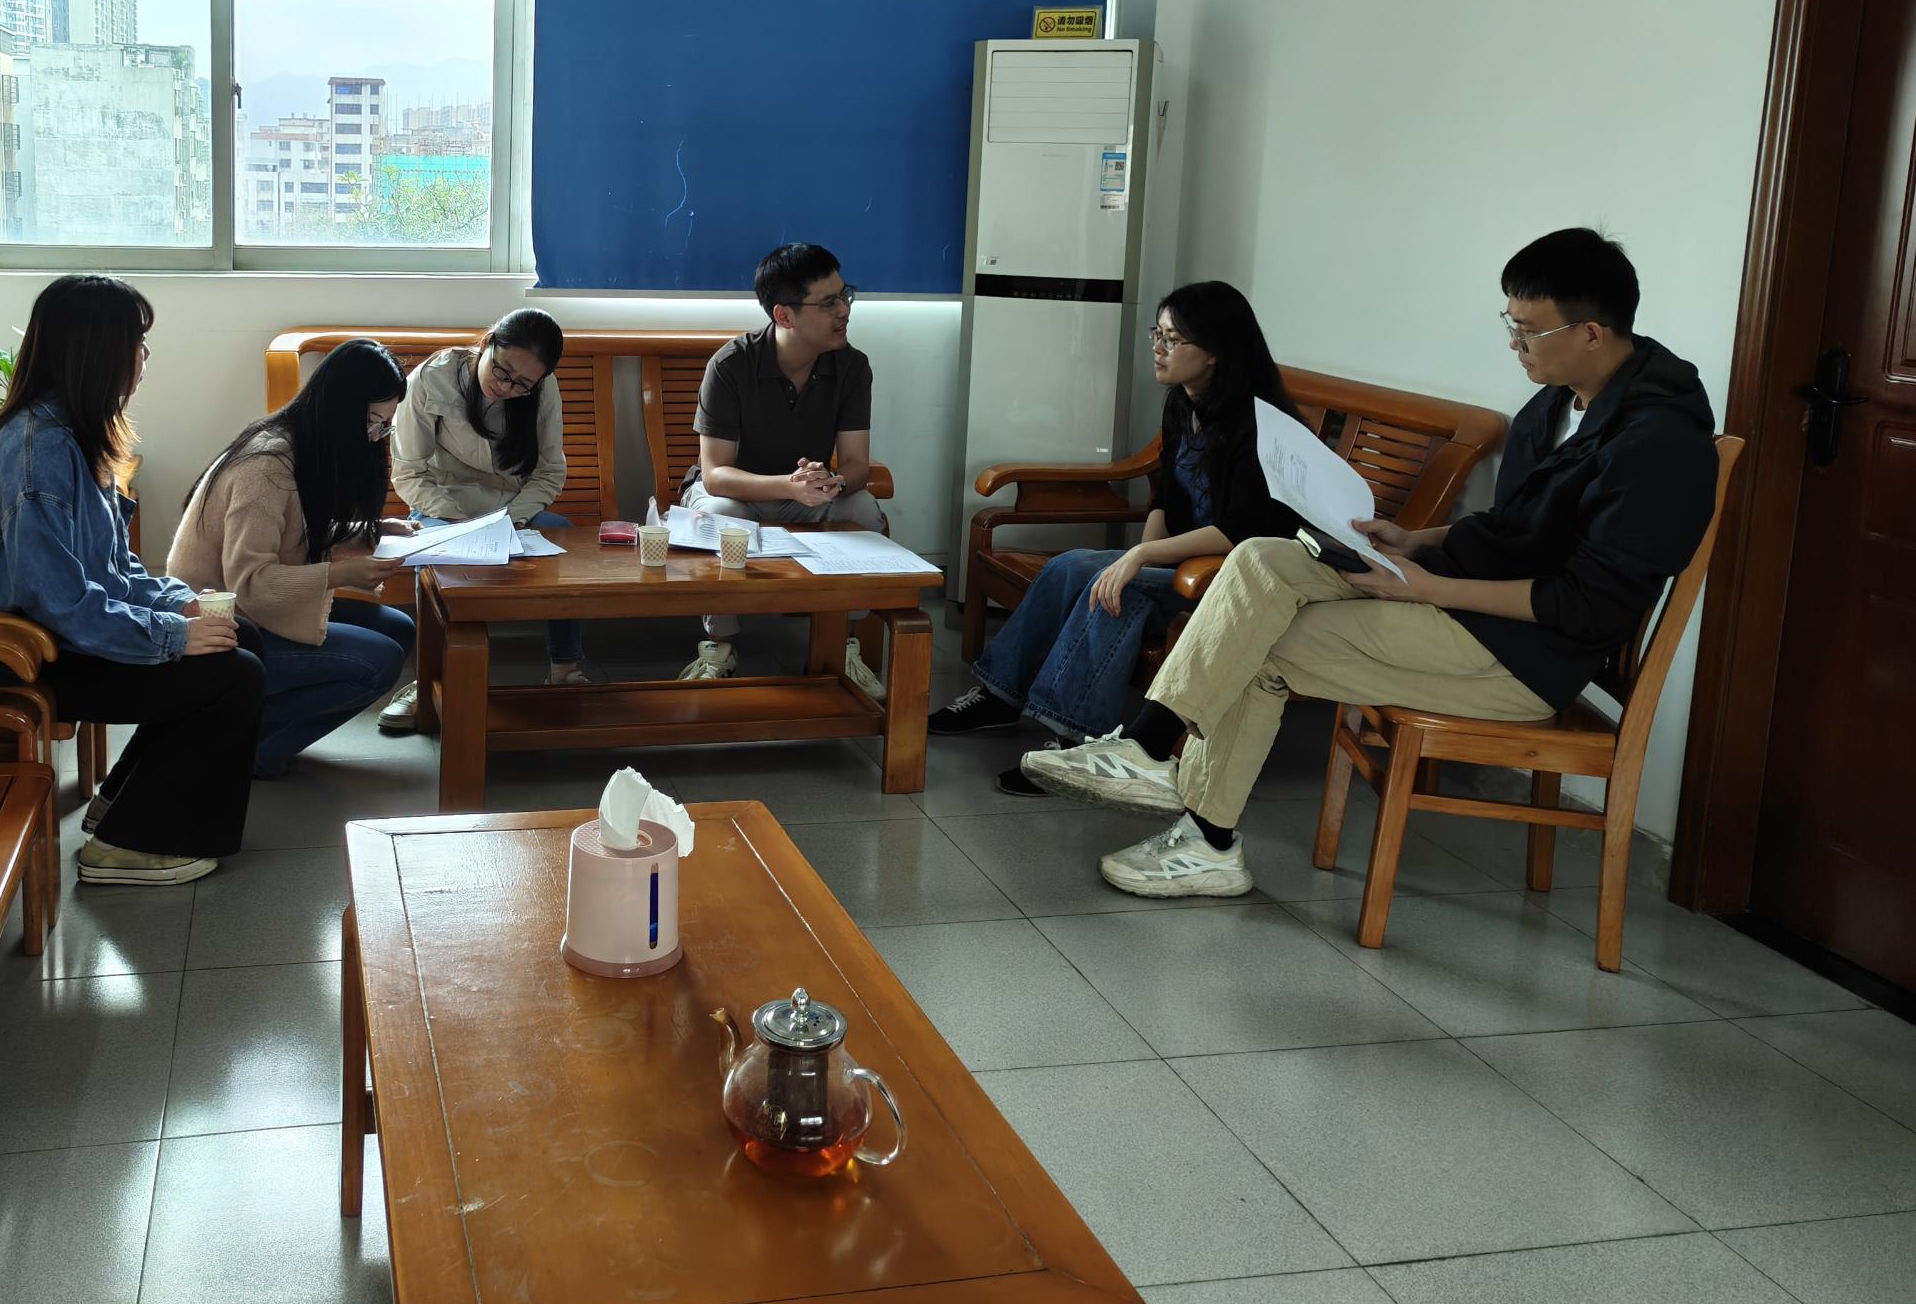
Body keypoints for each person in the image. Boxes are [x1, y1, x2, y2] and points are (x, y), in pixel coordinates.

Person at [1025, 229, 1718, 898]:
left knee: (1257, 645)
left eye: (1528, 330)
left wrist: (1430, 588)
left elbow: (1587, 604)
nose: (1513, 343)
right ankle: (1150, 749)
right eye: (1509, 323)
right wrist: (1415, 540)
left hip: (1520, 656)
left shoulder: (1657, 447)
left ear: (1591, 332)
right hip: (1456, 598)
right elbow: (1516, 528)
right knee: (1264, 558)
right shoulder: (1556, 403)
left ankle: (1206, 842)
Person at [0, 274, 261, 889]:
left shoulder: (75, 436)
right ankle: (127, 847)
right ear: (97, 351)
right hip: (22, 654)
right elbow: (58, 601)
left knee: (232, 641)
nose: (145, 355)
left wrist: (179, 604)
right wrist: (169, 636)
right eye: (137, 340)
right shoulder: (39, 453)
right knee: (231, 676)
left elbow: (113, 569)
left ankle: (122, 805)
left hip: (58, 637)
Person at [931, 282, 1303, 798]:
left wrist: (1140, 558)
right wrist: (1139, 557)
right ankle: (1000, 698)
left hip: (1229, 580)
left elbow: (1245, 529)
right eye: (1158, 333)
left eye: (1173, 339)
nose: (1158, 348)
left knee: (1116, 591)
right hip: (1182, 562)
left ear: (1215, 352)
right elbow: (1165, 497)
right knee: (1068, 566)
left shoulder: (1259, 425)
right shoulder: (1183, 403)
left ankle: (1072, 741)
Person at [167, 339, 416, 778]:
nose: (373, 436)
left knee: (399, 628)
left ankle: (248, 732)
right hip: (221, 627)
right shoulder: (266, 466)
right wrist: (342, 572)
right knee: (377, 661)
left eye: (384, 426)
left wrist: (370, 532)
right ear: (340, 408)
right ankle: (244, 745)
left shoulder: (298, 444)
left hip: (253, 611)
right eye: (371, 422)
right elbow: (251, 582)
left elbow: (294, 534)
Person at [680, 242, 888, 691]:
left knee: (863, 509)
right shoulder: (732, 364)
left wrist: (832, 482)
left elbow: (857, 465)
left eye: (845, 295)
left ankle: (842, 643)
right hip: (740, 495)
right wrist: (788, 486)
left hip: (807, 494)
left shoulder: (852, 367)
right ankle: (720, 647)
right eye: (828, 302)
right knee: (721, 516)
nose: (844, 310)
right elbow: (715, 474)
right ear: (784, 315)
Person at [387, 309, 591, 724]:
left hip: (513, 511)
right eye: (502, 371)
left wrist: (511, 519)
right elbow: (409, 472)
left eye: (522, 384)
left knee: (563, 543)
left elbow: (549, 472)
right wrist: (461, 521)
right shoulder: (431, 378)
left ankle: (565, 670)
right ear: (487, 343)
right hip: (444, 506)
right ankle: (430, 679)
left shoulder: (541, 388)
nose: (507, 387)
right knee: (433, 559)